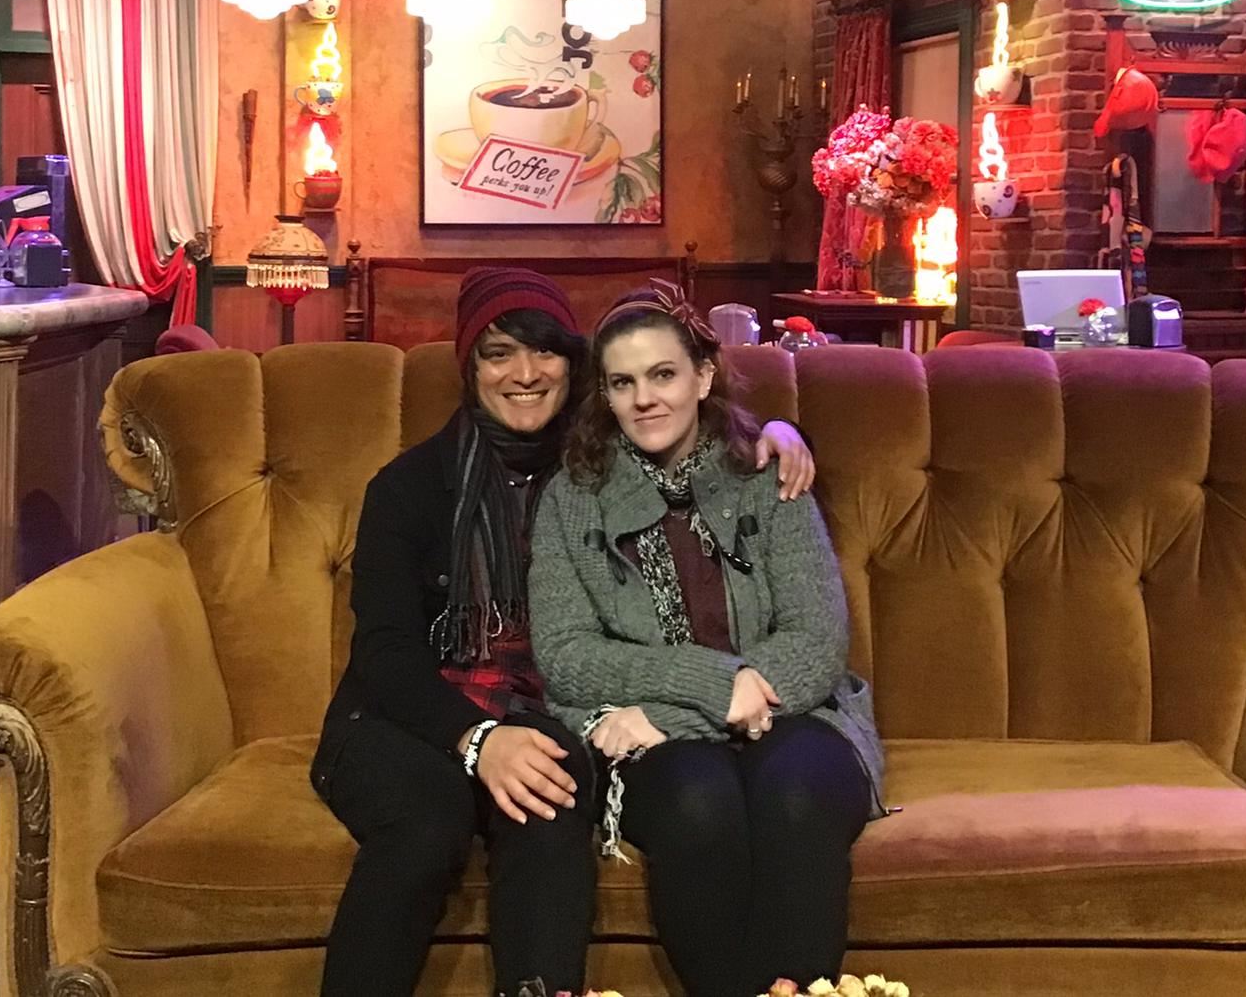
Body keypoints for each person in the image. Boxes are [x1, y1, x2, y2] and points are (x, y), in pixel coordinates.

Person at [311, 267, 818, 997]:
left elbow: (700, 444)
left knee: (550, 802)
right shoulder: (408, 488)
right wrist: (476, 739)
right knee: (426, 826)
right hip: (405, 717)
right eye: (498, 354)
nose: (525, 374)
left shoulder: (599, 471)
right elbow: (385, 655)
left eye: (545, 350)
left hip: (545, 710)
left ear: (572, 366)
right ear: (469, 366)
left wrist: (778, 431)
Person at [529, 283, 883, 997]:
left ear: (702, 376)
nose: (644, 399)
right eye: (622, 383)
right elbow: (566, 655)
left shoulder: (767, 471)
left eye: (663, 374)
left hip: (792, 714)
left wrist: (669, 713)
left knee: (797, 793)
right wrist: (716, 687)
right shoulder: (573, 495)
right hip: (656, 746)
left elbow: (816, 641)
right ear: (605, 394)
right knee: (699, 803)